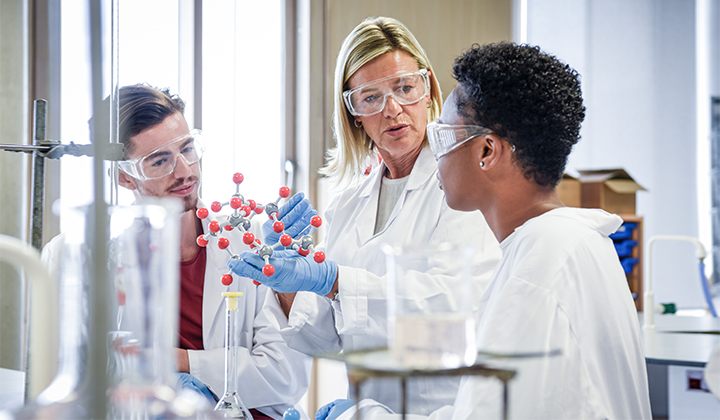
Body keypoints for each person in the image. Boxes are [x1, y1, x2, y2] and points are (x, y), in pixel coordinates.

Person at [323, 42, 653, 419]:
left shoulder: (537, 267)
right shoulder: (568, 243)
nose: (435, 152)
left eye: (443, 136)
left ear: (487, 152)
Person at [228, 17, 501, 417]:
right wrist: (283, 276)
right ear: (353, 112)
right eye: (369, 97)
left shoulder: (463, 188)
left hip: (447, 408)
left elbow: (452, 311)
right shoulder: (348, 203)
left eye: (405, 88)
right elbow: (321, 336)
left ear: (428, 91)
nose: (393, 110)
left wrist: (336, 281)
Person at [45, 84, 314, 420]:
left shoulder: (251, 242)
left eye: (188, 149)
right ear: (124, 177)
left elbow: (284, 378)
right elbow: (77, 384)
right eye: (160, 161)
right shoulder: (80, 259)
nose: (185, 170)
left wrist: (179, 361)